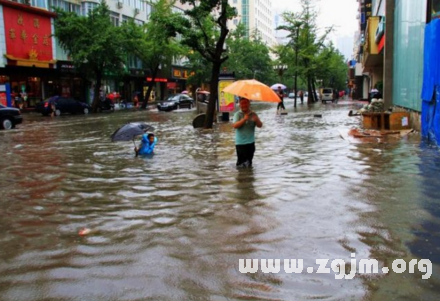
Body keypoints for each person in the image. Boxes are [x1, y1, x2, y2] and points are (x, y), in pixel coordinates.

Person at [232, 97, 263, 168]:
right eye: (242, 103)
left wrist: (257, 120)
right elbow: (235, 126)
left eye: (246, 103)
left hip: (251, 143)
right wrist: (244, 119)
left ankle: (249, 177)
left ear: (249, 104)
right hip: (240, 143)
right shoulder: (238, 114)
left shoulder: (253, 114)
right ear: (239, 105)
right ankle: (241, 177)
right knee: (241, 164)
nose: (244, 105)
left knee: (249, 163)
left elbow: (260, 125)